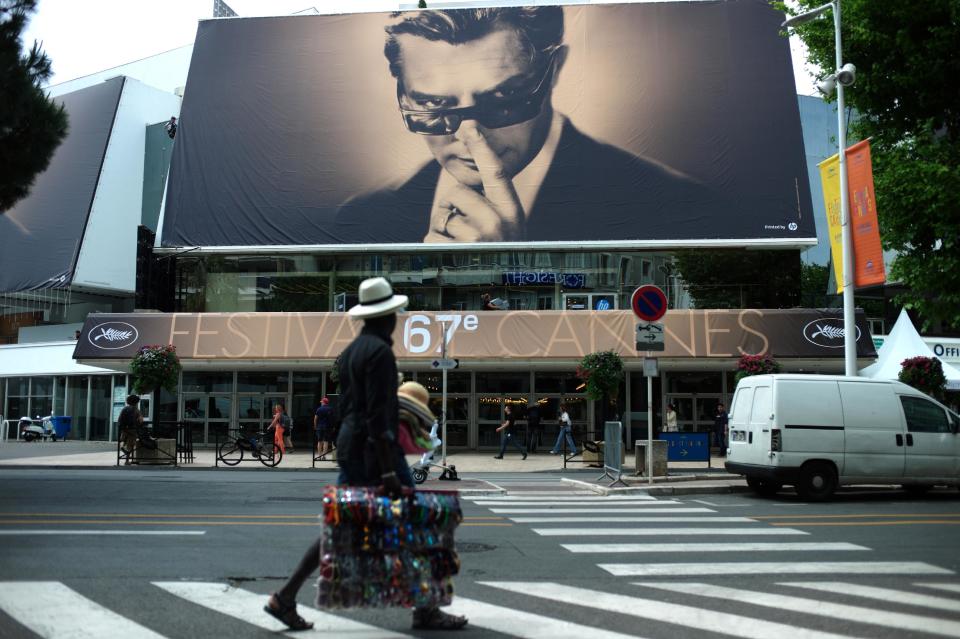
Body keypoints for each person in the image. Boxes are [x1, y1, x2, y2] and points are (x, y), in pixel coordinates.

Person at [334, 7, 709, 244]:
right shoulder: (361, 219)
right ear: (404, 95)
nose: (469, 137)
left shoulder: (681, 208)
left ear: (555, 70)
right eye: (433, 105)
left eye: (503, 101)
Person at [264, 277, 467, 631]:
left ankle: (285, 596)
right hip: (377, 454)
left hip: (352, 448)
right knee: (418, 523)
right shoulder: (380, 353)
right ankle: (425, 609)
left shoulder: (352, 352)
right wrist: (389, 472)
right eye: (395, 314)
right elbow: (378, 417)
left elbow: (352, 409)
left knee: (339, 524)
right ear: (387, 316)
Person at [117, 394, 143, 465]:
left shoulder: (124, 409)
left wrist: (122, 427)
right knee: (130, 445)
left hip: (124, 429)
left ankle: (122, 449)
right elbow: (140, 420)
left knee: (122, 441)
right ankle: (127, 461)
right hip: (132, 430)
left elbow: (119, 419)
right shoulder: (136, 410)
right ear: (136, 402)